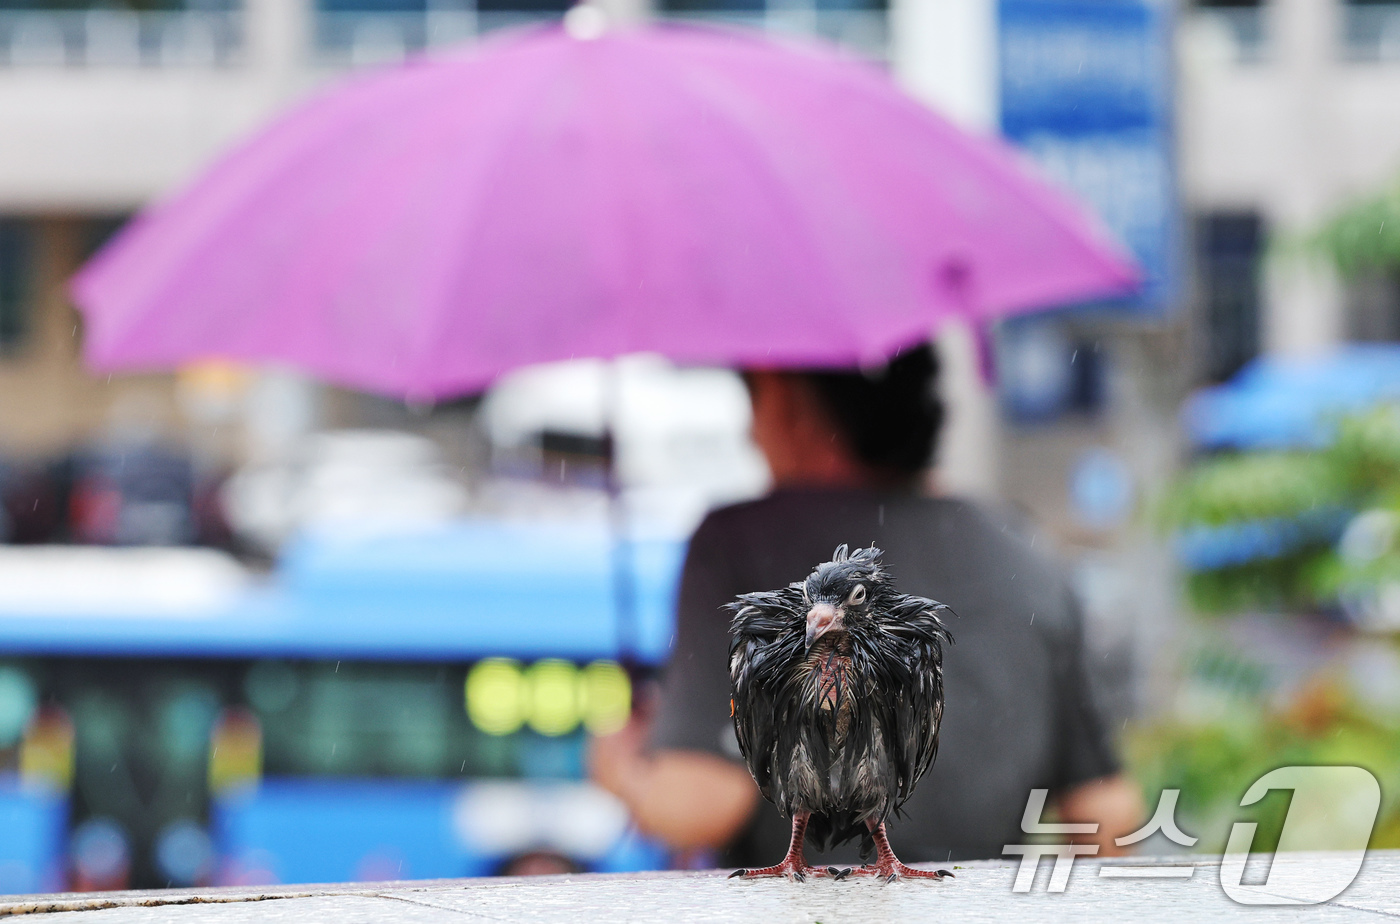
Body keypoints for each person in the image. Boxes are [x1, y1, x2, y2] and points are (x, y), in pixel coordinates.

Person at [590, 344, 1142, 867]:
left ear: (786, 399)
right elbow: (1108, 816)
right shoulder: (1019, 551)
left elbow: (701, 801)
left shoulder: (740, 544)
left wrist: (622, 768)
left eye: (751, 399)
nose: (749, 432)